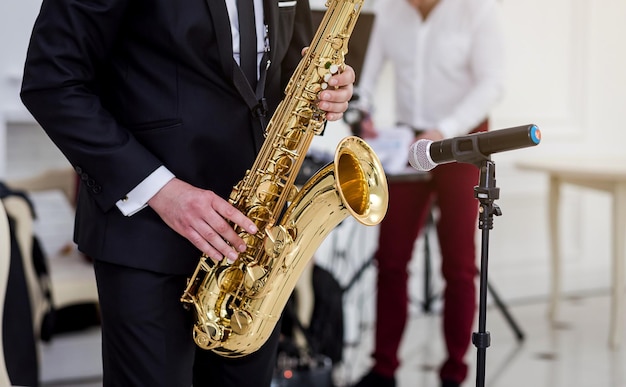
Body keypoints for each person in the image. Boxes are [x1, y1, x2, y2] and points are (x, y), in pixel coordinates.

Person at [20, 0, 355, 386]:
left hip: (252, 246)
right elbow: (51, 80)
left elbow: (281, 78)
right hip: (147, 235)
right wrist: (163, 191)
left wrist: (327, 90)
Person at [351, 0, 505, 386]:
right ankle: (383, 368)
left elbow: (492, 83)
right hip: (409, 146)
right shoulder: (388, 11)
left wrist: (444, 129)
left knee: (458, 264)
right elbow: (365, 81)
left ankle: (454, 371)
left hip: (463, 142)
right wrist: (362, 112)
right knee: (390, 258)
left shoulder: (477, 10)